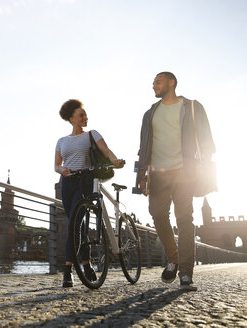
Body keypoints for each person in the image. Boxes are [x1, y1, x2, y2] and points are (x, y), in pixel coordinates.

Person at [136, 72, 215, 291]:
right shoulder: (150, 113)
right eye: (152, 83)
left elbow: (206, 137)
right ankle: (174, 257)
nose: (153, 85)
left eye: (158, 82)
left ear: (172, 83)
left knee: (184, 218)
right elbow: (144, 146)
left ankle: (186, 274)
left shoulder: (192, 107)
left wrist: (205, 165)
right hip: (158, 173)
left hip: (185, 171)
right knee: (157, 213)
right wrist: (141, 174)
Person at [54, 99, 123, 288]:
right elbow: (56, 165)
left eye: (85, 114)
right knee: (76, 225)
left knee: (74, 225)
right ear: (71, 119)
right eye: (81, 115)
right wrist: (63, 171)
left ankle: (67, 271)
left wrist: (115, 160)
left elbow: (105, 150)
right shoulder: (62, 141)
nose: (85, 117)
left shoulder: (92, 134)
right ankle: (86, 264)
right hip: (68, 183)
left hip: (86, 181)